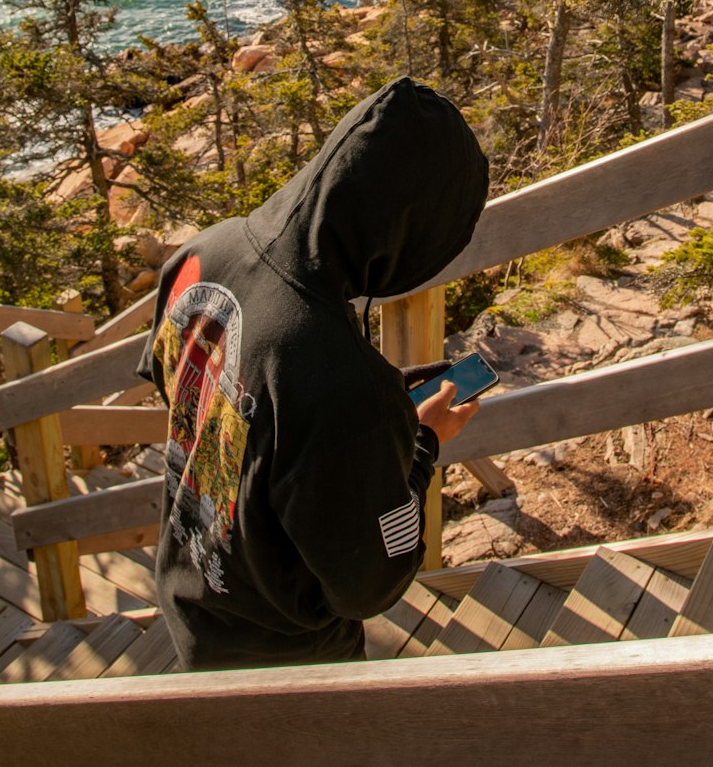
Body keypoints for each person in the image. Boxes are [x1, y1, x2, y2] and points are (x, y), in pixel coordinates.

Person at [138, 76, 490, 670]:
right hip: (285, 653)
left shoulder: (205, 250)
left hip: (188, 589)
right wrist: (419, 443)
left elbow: (182, 382)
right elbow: (369, 585)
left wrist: (350, 416)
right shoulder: (339, 382)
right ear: (409, 227)